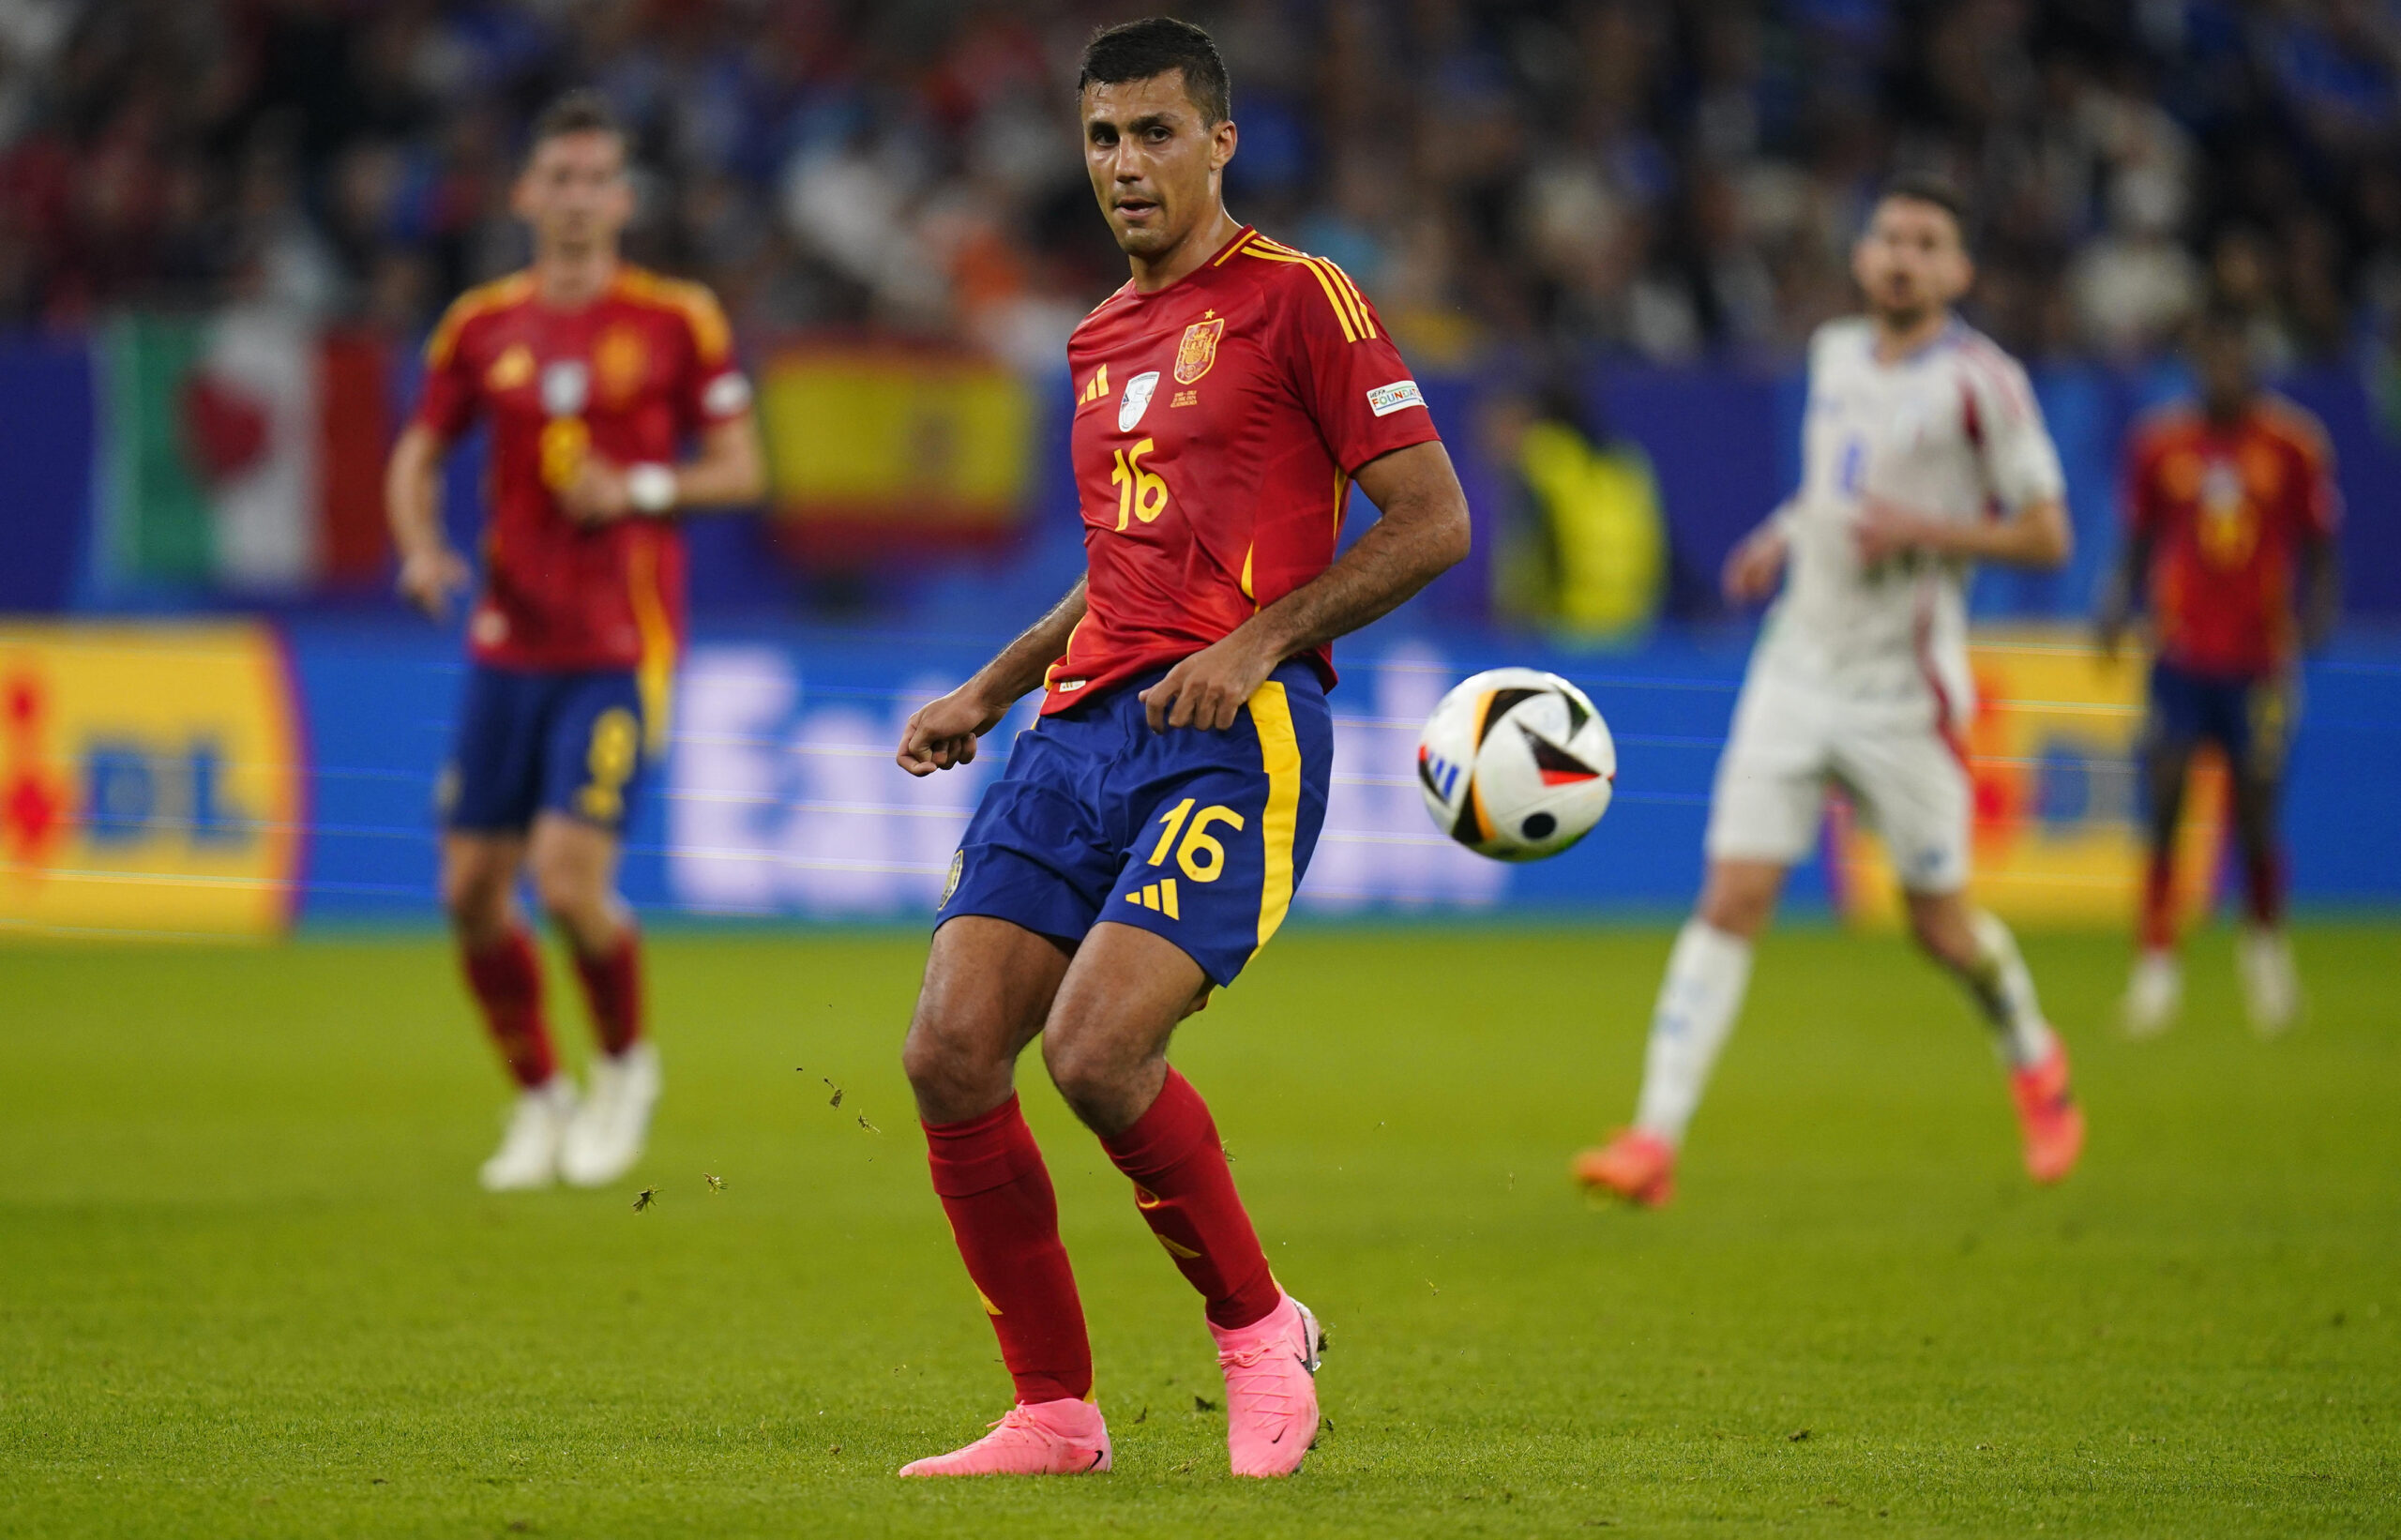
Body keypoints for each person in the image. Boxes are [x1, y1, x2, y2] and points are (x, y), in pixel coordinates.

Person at [888, 17, 1469, 1480]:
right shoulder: (1094, 339)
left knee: (1094, 1049)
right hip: (1081, 728)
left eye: (1155, 133)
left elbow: (1432, 519)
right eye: (1102, 137)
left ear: (1219, 141)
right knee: (953, 1050)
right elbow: (1120, 562)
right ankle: (1054, 1413)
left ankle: (1264, 1326)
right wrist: (991, 686)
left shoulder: (1300, 301)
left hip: (1233, 732)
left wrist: (1260, 639)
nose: (1126, 164)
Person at [1572, 176, 2086, 1209]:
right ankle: (1654, 1137)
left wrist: (1926, 533)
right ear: (1862, 256)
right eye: (1888, 236)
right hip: (1796, 668)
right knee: (1732, 895)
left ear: (1957, 270)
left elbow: (2048, 533)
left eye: (1926, 242)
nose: (1901, 255)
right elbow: (1834, 487)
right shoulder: (1834, 354)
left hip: (1906, 692)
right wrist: (1779, 537)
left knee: (1939, 927)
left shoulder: (1985, 383)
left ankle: (2033, 1055)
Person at [385, 92, 764, 1191]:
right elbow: (416, 453)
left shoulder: (676, 319)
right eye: (559, 177)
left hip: (617, 642)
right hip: (508, 641)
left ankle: (622, 1065)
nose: (578, 197)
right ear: (524, 194)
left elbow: (742, 470)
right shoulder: (480, 324)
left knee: (564, 880)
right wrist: (419, 549)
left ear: (625, 198)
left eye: (598, 178)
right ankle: (540, 1096)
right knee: (467, 891)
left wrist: (639, 485)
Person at [2102, 305, 2340, 1037]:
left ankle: (2265, 961)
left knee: (2258, 817)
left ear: (2254, 361)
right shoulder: (2162, 444)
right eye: (2211, 356)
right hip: (2179, 653)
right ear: (2196, 362)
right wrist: (2116, 603)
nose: (2223, 371)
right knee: (2166, 806)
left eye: (2235, 356)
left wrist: (2317, 612)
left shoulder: (2293, 444)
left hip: (2261, 660)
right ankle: (2156, 968)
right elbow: (2141, 539)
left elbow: (2320, 543)